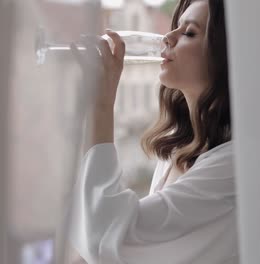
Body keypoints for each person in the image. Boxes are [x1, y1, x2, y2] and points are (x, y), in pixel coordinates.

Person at [68, 0, 237, 263]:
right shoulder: (175, 151)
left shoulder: (231, 167)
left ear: (224, 57)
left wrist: (100, 103)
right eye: (176, 26)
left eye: (189, 32)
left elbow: (108, 240)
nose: (168, 37)